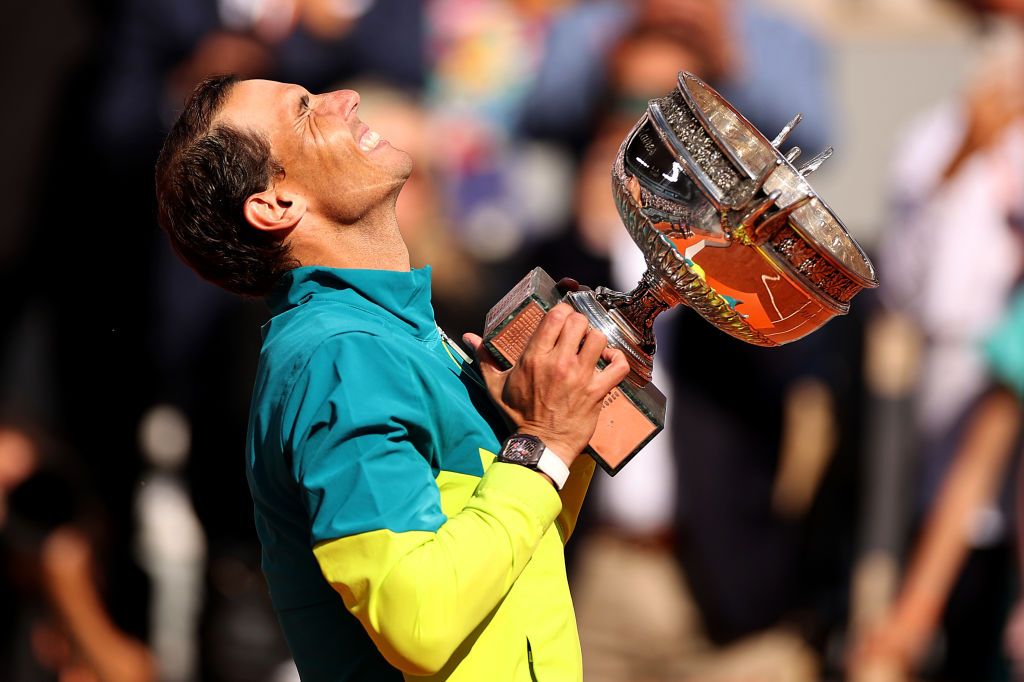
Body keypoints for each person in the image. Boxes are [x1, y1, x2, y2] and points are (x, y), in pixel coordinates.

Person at [153, 74, 630, 681]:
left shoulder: (394, 335)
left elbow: (512, 563)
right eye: (304, 112)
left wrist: (561, 424)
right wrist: (543, 443)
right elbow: (420, 620)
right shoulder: (340, 356)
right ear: (276, 204)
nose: (344, 99)